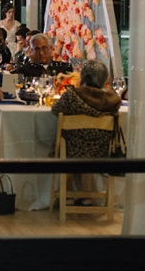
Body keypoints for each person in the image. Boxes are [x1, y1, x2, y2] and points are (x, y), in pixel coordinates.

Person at [51, 59, 121, 203]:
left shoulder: (72, 96)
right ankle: (86, 195)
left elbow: (55, 109)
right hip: (101, 151)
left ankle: (68, 193)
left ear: (82, 77)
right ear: (104, 80)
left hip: (72, 149)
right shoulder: (112, 100)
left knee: (68, 141)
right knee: (89, 147)